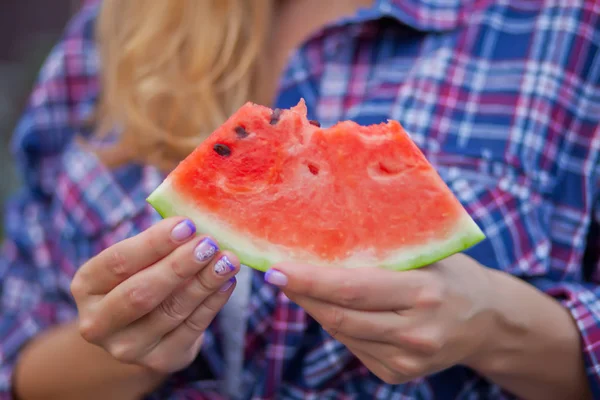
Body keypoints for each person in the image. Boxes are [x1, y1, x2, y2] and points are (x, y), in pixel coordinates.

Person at [1, 0, 599, 398]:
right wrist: (127, 350)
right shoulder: (114, 26)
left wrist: (496, 325)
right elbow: (18, 359)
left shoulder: (571, 25)